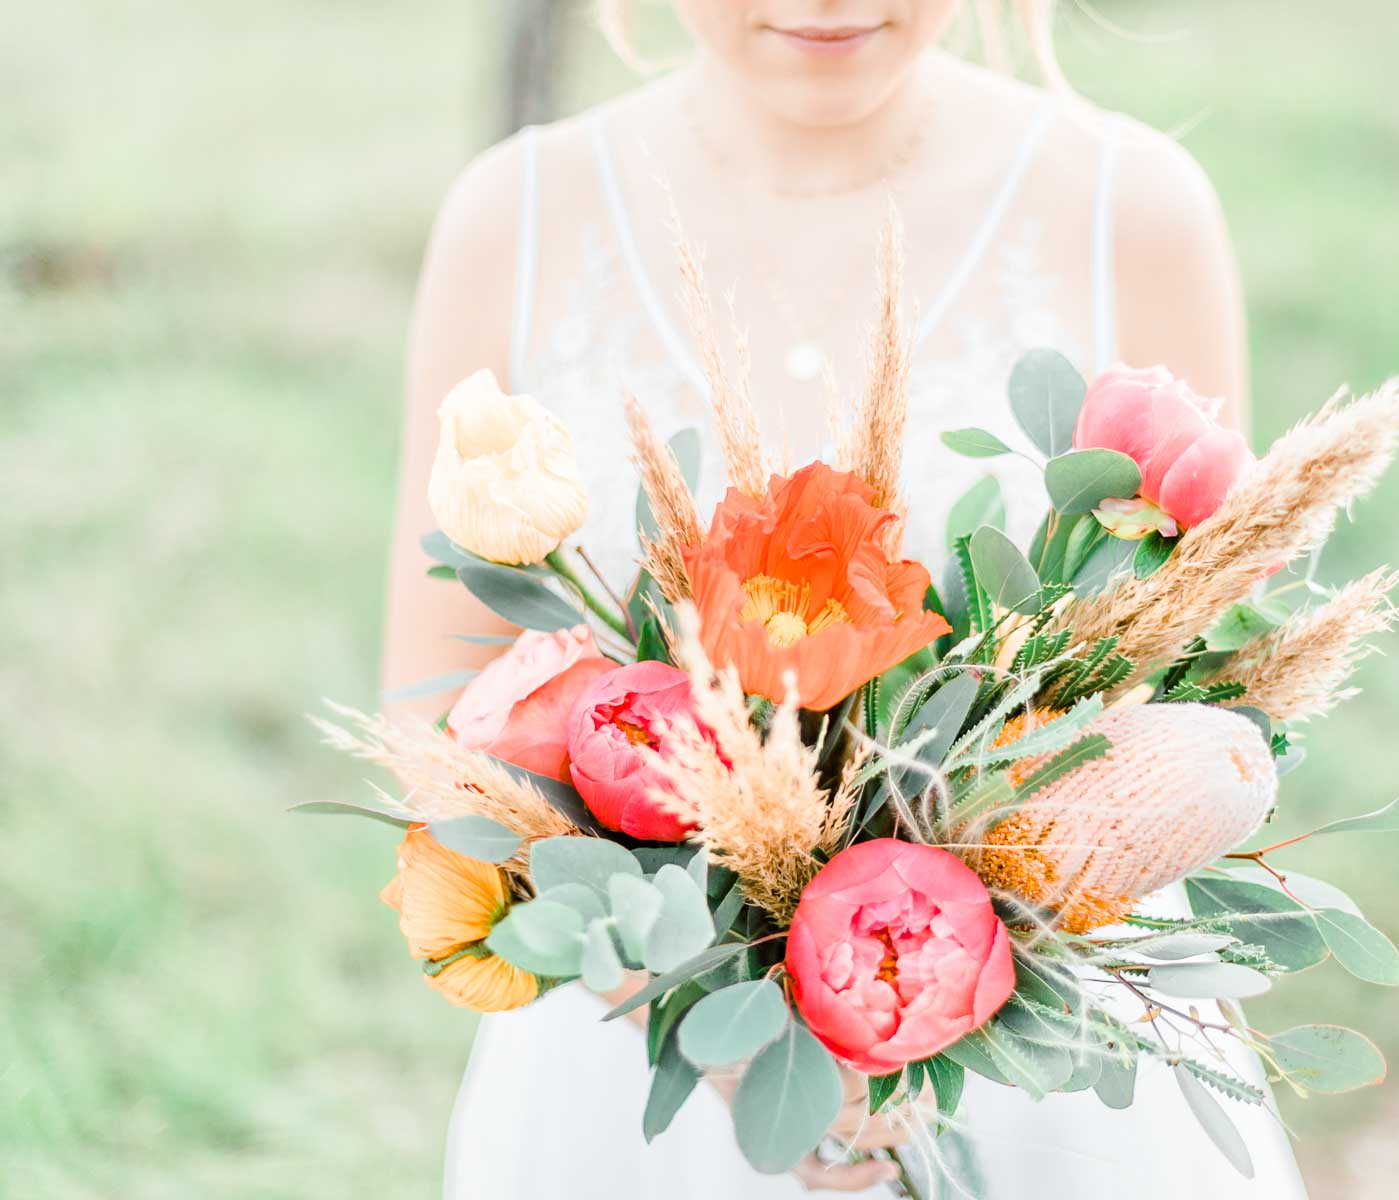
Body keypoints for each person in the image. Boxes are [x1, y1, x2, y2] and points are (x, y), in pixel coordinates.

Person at [383, 2, 1304, 1195]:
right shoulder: (513, 221)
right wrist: (695, 1000)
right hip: (635, 1085)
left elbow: (1198, 679)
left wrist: (937, 974)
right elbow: (437, 711)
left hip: (1052, 1090)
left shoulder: (1133, 212)